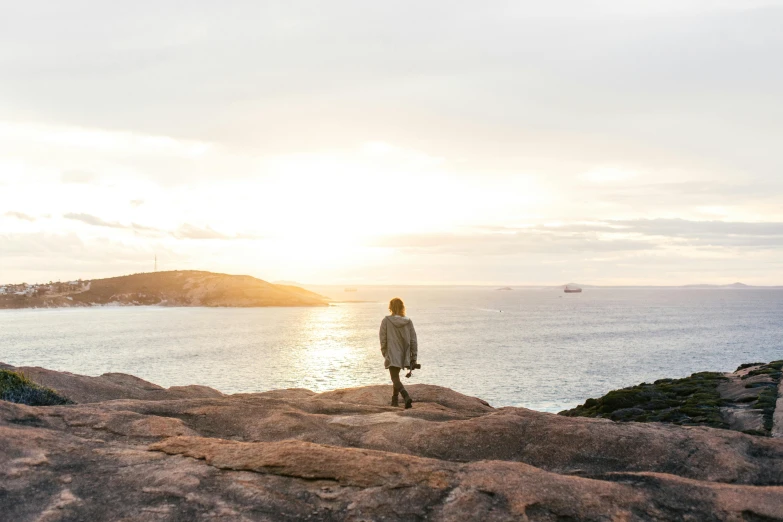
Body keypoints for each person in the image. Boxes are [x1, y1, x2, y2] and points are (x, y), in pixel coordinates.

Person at [379, 297, 418, 408]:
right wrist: (413, 357)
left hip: (392, 352)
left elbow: (383, 339)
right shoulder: (408, 321)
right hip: (404, 353)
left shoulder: (386, 321)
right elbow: (413, 340)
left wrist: (384, 352)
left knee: (394, 377)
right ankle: (394, 401)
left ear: (390, 307)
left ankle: (405, 396)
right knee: (396, 376)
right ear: (402, 307)